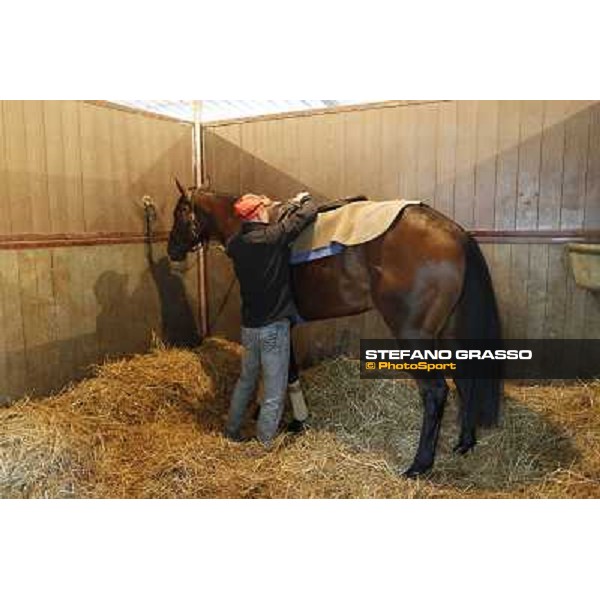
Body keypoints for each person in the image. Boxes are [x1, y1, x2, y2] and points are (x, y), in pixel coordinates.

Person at [224, 191, 319, 448]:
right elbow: (309, 213)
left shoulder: (235, 244)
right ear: (258, 212)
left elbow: (237, 240)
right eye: (265, 208)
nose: (268, 210)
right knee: (274, 392)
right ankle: (265, 444)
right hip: (274, 328)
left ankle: (231, 430)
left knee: (246, 380)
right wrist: (304, 198)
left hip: (249, 328)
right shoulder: (272, 237)